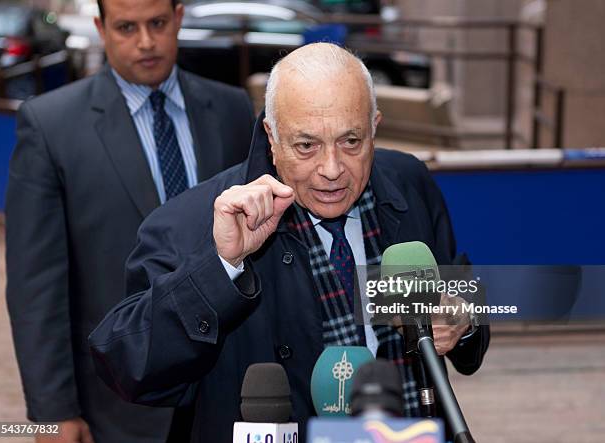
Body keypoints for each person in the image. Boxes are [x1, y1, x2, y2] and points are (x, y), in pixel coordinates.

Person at [89, 43, 489, 443]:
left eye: (351, 141)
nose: (331, 169)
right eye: (306, 145)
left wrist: (463, 322)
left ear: (375, 127)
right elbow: (127, 366)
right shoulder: (193, 222)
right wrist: (221, 267)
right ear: (272, 137)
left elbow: (467, 310)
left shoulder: (408, 184)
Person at [5, 0, 255, 441]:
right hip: (115, 403)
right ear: (101, 28)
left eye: (157, 23)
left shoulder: (232, 109)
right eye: (126, 27)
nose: (145, 42)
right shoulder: (50, 126)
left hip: (225, 394)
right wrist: (53, 410)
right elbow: (36, 287)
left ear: (178, 18)